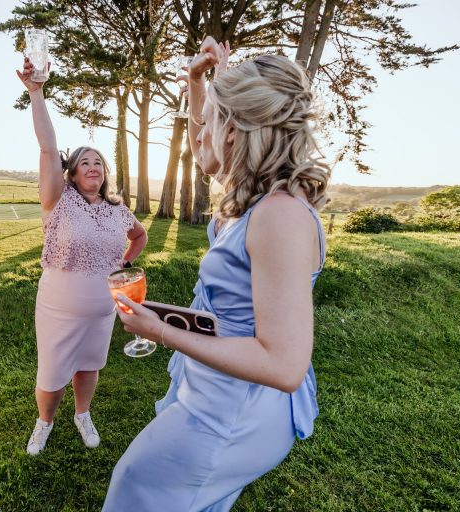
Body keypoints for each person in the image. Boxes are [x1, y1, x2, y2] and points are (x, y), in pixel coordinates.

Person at [103, 37, 330, 511]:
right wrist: (196, 80)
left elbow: (284, 367)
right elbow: (207, 156)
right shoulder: (253, 198)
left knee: (133, 486)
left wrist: (161, 330)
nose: (199, 132)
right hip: (212, 385)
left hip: (238, 408)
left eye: (208, 121)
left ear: (233, 131)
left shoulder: (280, 215)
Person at [17, 57, 148, 455]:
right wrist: (36, 92)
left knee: (90, 365)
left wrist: (123, 265)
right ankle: (44, 423)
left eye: (99, 163)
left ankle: (82, 414)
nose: (92, 167)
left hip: (102, 309)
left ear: (105, 174)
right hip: (59, 305)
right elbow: (47, 147)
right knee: (53, 372)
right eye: (84, 162)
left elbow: (139, 236)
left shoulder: (116, 208)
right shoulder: (58, 202)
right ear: (71, 173)